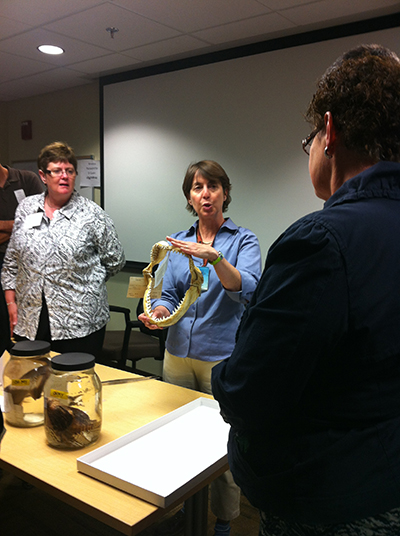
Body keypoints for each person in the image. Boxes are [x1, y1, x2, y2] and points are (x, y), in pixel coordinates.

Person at [211, 44, 400, 536]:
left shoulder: (321, 241)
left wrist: (223, 379)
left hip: (332, 503)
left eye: (309, 139)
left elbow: (250, 390)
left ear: (330, 132)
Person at [139, 160, 262, 536]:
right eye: (196, 187)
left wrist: (215, 258)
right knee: (174, 439)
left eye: (211, 186)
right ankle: (177, 508)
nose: (204, 194)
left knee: (221, 446)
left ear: (225, 192)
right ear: (189, 197)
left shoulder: (242, 240)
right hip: (177, 353)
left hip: (221, 359)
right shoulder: (177, 241)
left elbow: (250, 289)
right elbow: (171, 293)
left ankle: (223, 521)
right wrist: (159, 310)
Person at [1, 141, 125, 358]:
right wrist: (11, 302)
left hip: (79, 322)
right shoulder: (27, 208)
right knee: (33, 383)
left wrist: (86, 283)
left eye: (69, 171)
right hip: (31, 319)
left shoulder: (92, 214)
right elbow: (12, 261)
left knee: (74, 386)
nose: (64, 176)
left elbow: (115, 260)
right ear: (43, 175)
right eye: (57, 171)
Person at [0, 162, 44, 354]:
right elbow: (29, 223)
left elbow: (42, 221)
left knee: (30, 331)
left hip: (30, 264)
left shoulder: (27, 180)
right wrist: (22, 225)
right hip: (3, 263)